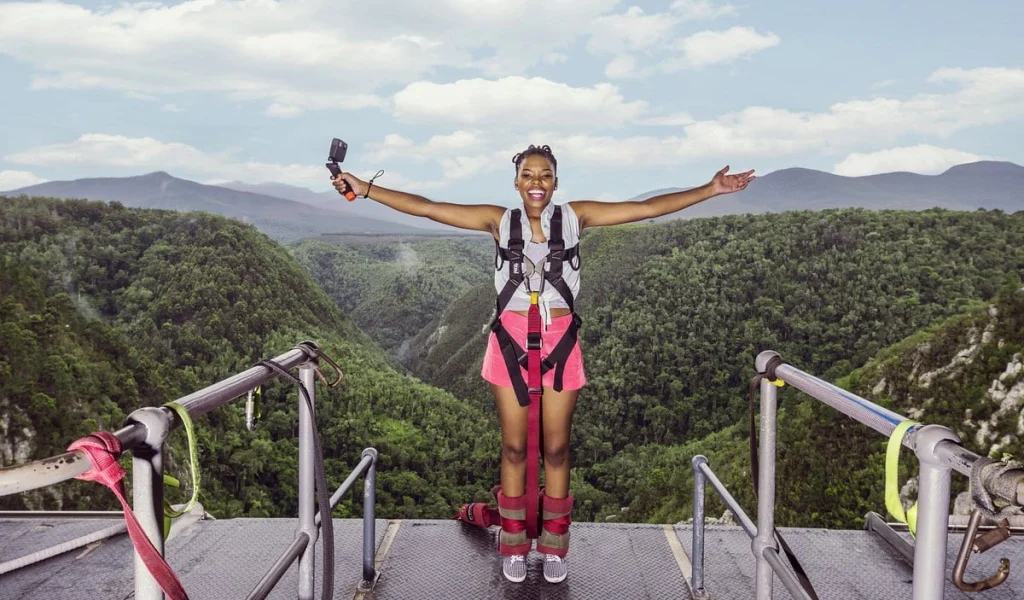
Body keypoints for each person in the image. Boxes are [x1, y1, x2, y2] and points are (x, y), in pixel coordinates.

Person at [332, 144, 754, 584]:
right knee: (514, 448)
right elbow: (429, 208)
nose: (536, 182)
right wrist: (365, 189)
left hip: (560, 340)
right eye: (528, 175)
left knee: (556, 448)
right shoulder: (498, 220)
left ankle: (554, 545)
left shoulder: (576, 217)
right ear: (516, 182)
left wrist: (710, 189)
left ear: (556, 181)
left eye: (545, 175)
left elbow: (647, 207)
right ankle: (514, 542)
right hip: (511, 342)